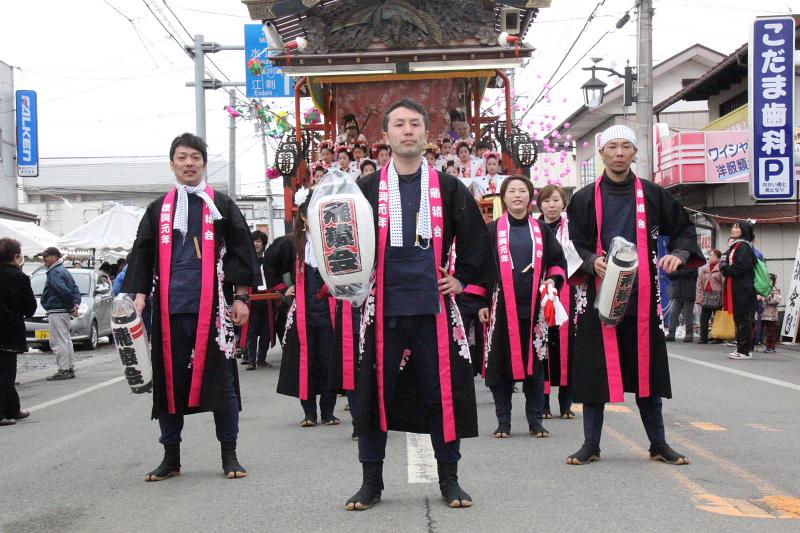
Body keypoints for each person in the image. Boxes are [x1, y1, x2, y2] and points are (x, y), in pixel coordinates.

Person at [347, 98, 489, 511]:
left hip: (433, 308)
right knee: (374, 393)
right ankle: (371, 482)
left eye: (415, 124)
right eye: (399, 125)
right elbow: (346, 244)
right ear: (385, 136)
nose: (408, 131)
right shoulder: (366, 189)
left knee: (441, 392)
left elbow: (477, 243)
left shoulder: (448, 187)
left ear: (427, 134)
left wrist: (461, 279)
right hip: (382, 308)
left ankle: (450, 479)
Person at [565, 124, 704, 466]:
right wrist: (590, 261)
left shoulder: (654, 194)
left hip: (642, 300)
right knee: (595, 374)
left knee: (648, 374)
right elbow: (570, 243)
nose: (619, 153)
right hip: (599, 299)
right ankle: (590, 445)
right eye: (612, 147)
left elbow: (684, 229)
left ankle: (658, 443)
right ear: (601, 153)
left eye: (626, 147)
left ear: (635, 153)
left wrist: (680, 255)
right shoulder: (584, 198)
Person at [123, 132, 258, 481]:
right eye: (181, 157)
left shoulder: (221, 205)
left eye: (195, 157)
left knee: (223, 386)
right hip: (168, 311)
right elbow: (142, 254)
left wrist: (241, 297)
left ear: (204, 163)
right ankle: (171, 457)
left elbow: (243, 250)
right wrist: (139, 294)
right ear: (172, 164)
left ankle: (230, 455)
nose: (188, 163)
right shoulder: (158, 209)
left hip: (213, 313)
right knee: (168, 386)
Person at [479, 177, 566, 439]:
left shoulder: (542, 230)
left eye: (523, 191)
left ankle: (535, 420)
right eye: (512, 191)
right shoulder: (492, 230)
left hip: (534, 310)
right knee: (500, 368)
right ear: (503, 198)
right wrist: (482, 302)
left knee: (536, 368)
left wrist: (553, 279)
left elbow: (557, 261)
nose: (517, 195)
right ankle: (503, 421)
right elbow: (480, 269)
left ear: (530, 197)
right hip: (501, 309)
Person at [271, 188, 340, 427]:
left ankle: (329, 411)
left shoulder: (336, 239)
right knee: (306, 361)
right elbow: (269, 263)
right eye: (310, 212)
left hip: (330, 311)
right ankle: (309, 412)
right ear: (302, 216)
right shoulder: (293, 243)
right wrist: (282, 288)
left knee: (329, 360)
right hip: (303, 312)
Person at [536, 184, 575, 419]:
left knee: (567, 347)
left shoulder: (572, 228)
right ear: (539, 204)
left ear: (563, 204)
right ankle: (543, 403)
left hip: (568, 291)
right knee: (543, 347)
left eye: (556, 201)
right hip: (540, 292)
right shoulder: (533, 228)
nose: (552, 206)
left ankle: (566, 403)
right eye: (547, 201)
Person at [0, 238, 37, 426]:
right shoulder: (19, 277)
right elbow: (30, 308)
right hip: (8, 329)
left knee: (6, 371)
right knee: (6, 373)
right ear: (16, 256)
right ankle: (2, 413)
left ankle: (13, 409)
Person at [40, 247, 81, 381]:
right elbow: (74, 288)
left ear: (54, 257)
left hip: (57, 309)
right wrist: (74, 305)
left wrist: (70, 307)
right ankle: (69, 367)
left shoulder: (54, 272)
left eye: (46, 257)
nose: (43, 260)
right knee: (66, 339)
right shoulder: (64, 270)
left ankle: (63, 369)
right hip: (64, 309)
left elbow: (62, 290)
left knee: (58, 341)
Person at [720, 221, 757, 360]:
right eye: (733, 227)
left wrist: (724, 267)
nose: (733, 229)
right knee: (739, 318)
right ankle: (741, 348)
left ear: (743, 230)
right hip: (738, 287)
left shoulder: (743, 247)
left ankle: (745, 350)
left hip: (743, 288)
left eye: (736, 227)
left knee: (743, 319)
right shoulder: (737, 245)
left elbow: (741, 267)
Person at [244, 230, 272, 370]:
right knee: (252, 330)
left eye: (259, 241)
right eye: (254, 241)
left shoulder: (268, 260)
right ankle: (251, 360)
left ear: (263, 243)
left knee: (267, 331)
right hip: (252, 300)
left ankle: (261, 359)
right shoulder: (248, 260)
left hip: (267, 300)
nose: (256, 244)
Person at [664, 261, 699, 342]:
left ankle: (689, 334)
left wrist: (677, 271)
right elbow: (670, 275)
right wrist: (677, 272)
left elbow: (686, 272)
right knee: (673, 314)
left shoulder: (693, 263)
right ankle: (671, 334)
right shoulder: (677, 264)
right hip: (677, 292)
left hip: (688, 293)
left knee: (688, 315)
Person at [695, 249, 723, 344]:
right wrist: (699, 296)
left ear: (718, 258)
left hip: (718, 295)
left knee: (717, 317)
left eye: (713, 255)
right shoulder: (704, 268)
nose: (711, 257)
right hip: (706, 294)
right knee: (704, 317)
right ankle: (703, 337)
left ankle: (718, 337)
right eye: (710, 255)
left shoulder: (721, 267)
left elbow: (724, 283)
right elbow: (699, 283)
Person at [762, 273, 781, 353]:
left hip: (772, 314)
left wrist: (767, 298)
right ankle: (767, 346)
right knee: (766, 331)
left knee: (771, 331)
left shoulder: (775, 290)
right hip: (764, 314)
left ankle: (771, 347)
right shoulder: (763, 289)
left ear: (773, 281)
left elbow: (777, 301)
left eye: (770, 280)